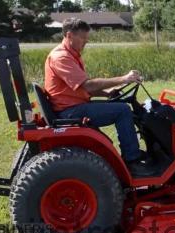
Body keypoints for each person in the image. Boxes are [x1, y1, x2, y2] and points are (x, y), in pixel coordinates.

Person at [44, 18, 152, 176]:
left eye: (87, 39)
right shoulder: (61, 58)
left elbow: (78, 88)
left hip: (73, 106)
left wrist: (107, 92)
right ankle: (132, 161)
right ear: (69, 35)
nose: (86, 42)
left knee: (121, 104)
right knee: (122, 111)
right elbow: (87, 85)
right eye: (83, 38)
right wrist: (124, 78)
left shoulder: (71, 54)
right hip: (69, 112)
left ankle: (134, 154)